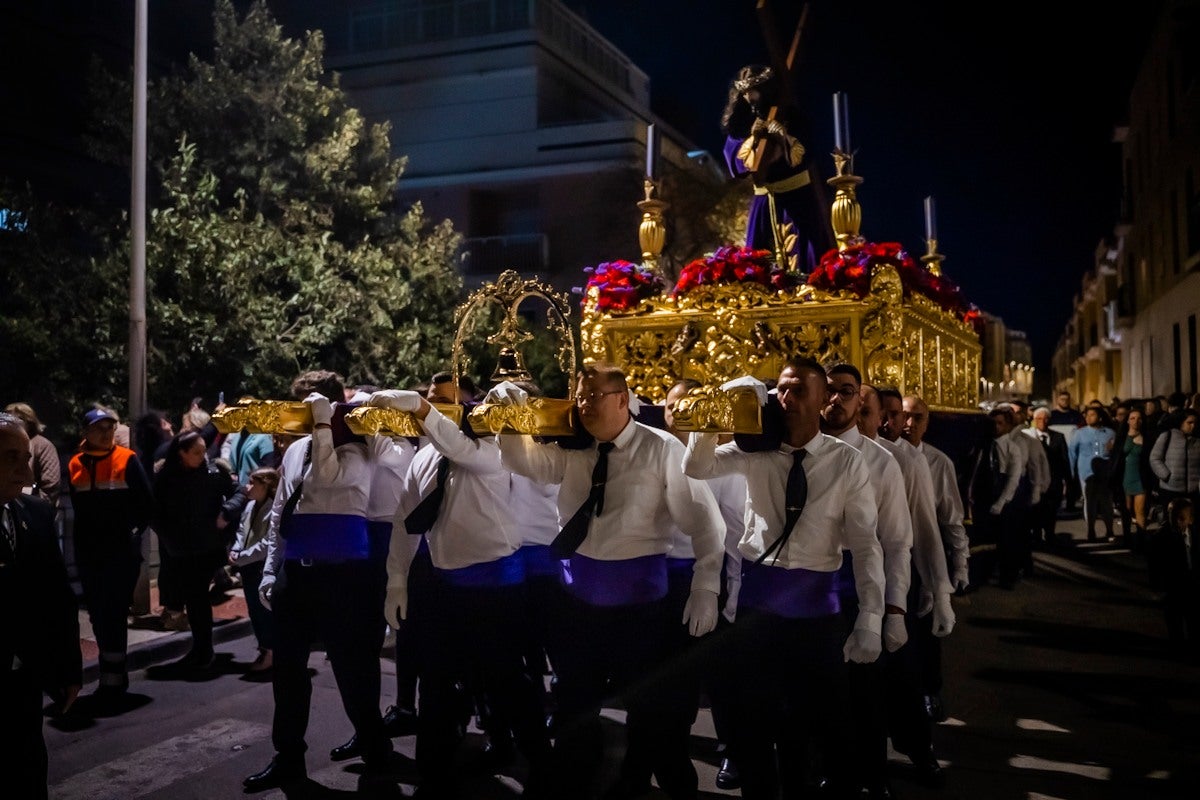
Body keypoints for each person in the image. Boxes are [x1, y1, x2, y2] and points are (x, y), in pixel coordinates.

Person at [495, 363, 725, 800]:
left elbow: (705, 522)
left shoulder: (660, 449)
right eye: (580, 396)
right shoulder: (578, 447)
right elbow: (525, 461)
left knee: (646, 708)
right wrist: (510, 417)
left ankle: (637, 783)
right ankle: (575, 779)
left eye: (594, 396)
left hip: (640, 605)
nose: (583, 405)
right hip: (577, 600)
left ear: (622, 398)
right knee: (576, 704)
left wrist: (705, 586)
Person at [683, 358, 885, 799]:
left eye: (797, 391)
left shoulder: (846, 461)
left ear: (822, 399)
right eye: (782, 390)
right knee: (752, 720)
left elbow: (867, 544)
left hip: (815, 610)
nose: (785, 399)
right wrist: (712, 417)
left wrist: (872, 616)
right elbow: (696, 469)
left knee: (813, 726)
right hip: (759, 605)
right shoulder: (753, 450)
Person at [369, 381, 553, 799]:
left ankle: (541, 765)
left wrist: (418, 406)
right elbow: (405, 520)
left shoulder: (494, 454)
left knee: (509, 681)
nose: (488, 412)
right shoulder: (426, 457)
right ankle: (434, 774)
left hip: (496, 585)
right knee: (437, 683)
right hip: (443, 586)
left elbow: (460, 448)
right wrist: (396, 579)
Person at [244, 370, 394, 792]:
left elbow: (328, 477)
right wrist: (272, 569)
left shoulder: (358, 448)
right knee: (288, 671)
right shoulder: (295, 452)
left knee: (353, 669)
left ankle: (374, 746)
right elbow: (279, 514)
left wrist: (327, 425)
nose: (301, 418)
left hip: (345, 575)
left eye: (307, 408)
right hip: (300, 573)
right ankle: (288, 756)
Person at [0, 412, 82, 800]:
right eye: (9, 458)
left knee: (29, 771)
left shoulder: (36, 513)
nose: (24, 470)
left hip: (24, 682)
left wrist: (67, 668)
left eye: (26, 457)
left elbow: (56, 597)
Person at [67, 406, 155, 701]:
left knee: (115, 612)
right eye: (99, 428)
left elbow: (146, 504)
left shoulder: (126, 459)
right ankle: (111, 671)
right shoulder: (75, 464)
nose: (106, 433)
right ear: (86, 432)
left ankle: (114, 678)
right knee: (97, 613)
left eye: (110, 427)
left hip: (120, 553)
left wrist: (132, 534)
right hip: (89, 553)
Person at [721, 64, 829, 271]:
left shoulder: (794, 117)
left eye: (752, 91)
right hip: (764, 201)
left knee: (802, 263)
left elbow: (805, 154)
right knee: (761, 265)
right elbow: (737, 162)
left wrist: (783, 136)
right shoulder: (742, 123)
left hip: (797, 199)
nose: (749, 98)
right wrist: (753, 138)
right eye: (744, 93)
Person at [152, 429, 245, 669]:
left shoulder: (214, 473)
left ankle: (203, 650)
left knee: (197, 597)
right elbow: (153, 508)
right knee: (193, 598)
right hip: (179, 549)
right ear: (181, 454)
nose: (203, 456)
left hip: (206, 547)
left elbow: (239, 492)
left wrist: (226, 513)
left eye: (204, 450)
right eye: (196, 452)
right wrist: (166, 535)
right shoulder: (166, 477)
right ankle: (201, 648)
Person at [229, 467, 280, 673]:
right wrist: (236, 549)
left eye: (253, 483)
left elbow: (268, 543)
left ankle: (270, 651)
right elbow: (242, 529)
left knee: (264, 610)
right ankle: (265, 648)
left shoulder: (274, 508)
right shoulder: (250, 506)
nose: (248, 488)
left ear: (266, 485)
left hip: (260, 565)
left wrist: (242, 557)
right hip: (247, 565)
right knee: (254, 609)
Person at [1148, 498, 1199, 660]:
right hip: (1172, 585)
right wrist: (1157, 586)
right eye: (1173, 517)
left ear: (1191, 519)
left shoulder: (1195, 534)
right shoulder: (1160, 538)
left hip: (1192, 583)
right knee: (1175, 621)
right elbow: (1154, 564)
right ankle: (1179, 651)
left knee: (1193, 619)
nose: (1177, 522)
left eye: (1181, 518)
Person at [1068, 406, 1117, 542]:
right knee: (1090, 502)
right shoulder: (1079, 433)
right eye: (1087, 415)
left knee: (1107, 502)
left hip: (1105, 473)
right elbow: (1072, 454)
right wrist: (1070, 474)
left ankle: (1110, 529)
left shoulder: (1110, 433)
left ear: (1100, 417)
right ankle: (1091, 530)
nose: (1088, 417)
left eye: (1092, 415)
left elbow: (1115, 453)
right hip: (1086, 472)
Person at [1025, 407, 1070, 548]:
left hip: (1054, 480)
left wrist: (1067, 481)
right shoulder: (1029, 437)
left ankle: (1050, 534)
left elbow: (1064, 460)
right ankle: (1037, 535)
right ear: (1034, 420)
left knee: (1051, 509)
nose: (1042, 422)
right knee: (1037, 508)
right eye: (1039, 419)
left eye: (1045, 419)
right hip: (1036, 480)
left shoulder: (1058, 437)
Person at [3, 402, 61, 509]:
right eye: (7, 418)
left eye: (18, 419)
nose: (11, 422)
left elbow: (50, 485)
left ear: (29, 422)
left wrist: (34, 509)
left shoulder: (42, 445)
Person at [1112, 408, 1153, 547]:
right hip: (1125, 478)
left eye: (1139, 418)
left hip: (1140, 478)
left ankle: (1142, 540)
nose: (1136, 421)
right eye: (1133, 418)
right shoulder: (1122, 437)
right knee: (1127, 511)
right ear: (1128, 421)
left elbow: (1149, 460)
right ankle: (1127, 538)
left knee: (1140, 511)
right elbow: (1116, 457)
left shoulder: (1147, 437)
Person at [1149, 408, 1199, 517]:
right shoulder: (1168, 436)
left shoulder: (1197, 440)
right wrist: (1167, 475)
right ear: (1180, 422)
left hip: (1193, 491)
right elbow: (1155, 458)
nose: (1193, 426)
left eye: (1195, 423)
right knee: (1172, 523)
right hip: (1170, 490)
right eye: (1189, 422)